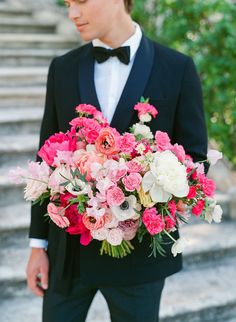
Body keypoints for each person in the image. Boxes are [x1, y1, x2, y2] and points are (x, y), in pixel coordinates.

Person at [26, 0, 208, 321]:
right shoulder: (62, 68)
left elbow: (196, 159)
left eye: (80, 1)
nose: (72, 14)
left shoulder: (177, 68)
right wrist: (38, 246)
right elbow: (46, 160)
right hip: (68, 255)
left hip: (140, 258)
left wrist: (151, 187)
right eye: (67, 4)